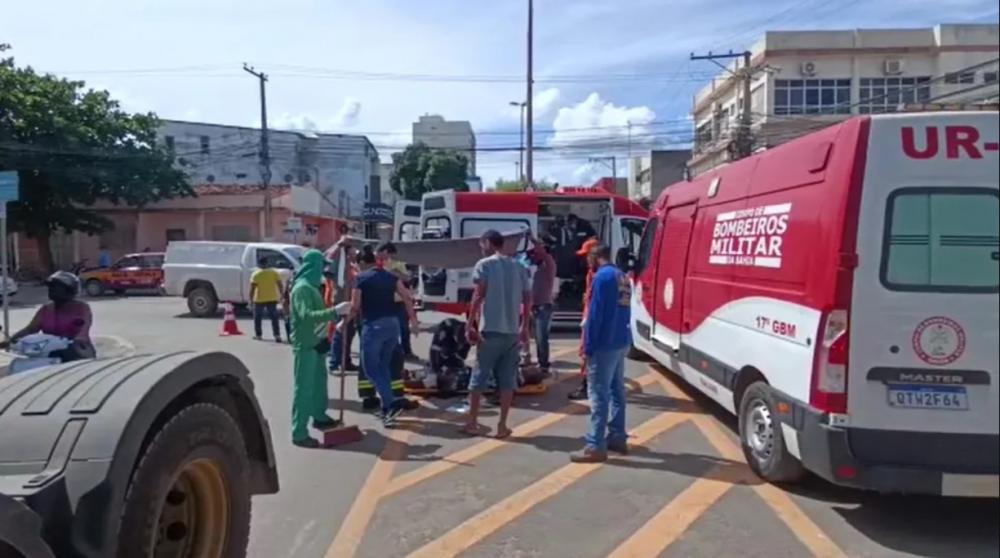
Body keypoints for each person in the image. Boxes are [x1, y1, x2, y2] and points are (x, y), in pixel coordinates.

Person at [463, 230, 531, 439]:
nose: (480, 247)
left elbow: (478, 294)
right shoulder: (520, 266)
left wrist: (470, 323)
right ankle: (502, 425)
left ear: (490, 243)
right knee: (507, 381)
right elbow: (527, 299)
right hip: (512, 332)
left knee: (479, 377)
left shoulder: (484, 265)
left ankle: (472, 422)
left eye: (482, 243)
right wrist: (524, 326)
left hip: (490, 330)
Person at [571, 242, 632, 463]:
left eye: (587, 257)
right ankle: (617, 436)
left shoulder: (601, 278)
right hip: (620, 341)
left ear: (596, 257)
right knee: (617, 391)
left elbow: (594, 317)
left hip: (604, 344)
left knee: (598, 394)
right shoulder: (622, 277)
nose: (586, 262)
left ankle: (595, 445)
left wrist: (587, 348)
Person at [349, 246, 418, 428]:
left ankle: (391, 403)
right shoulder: (391, 277)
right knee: (383, 366)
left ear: (363, 263)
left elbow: (354, 306)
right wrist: (414, 322)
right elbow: (407, 298)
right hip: (392, 326)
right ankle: (388, 408)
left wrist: (342, 323)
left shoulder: (360, 279)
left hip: (373, 327)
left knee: (370, 368)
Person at [289, 249, 341, 448]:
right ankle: (299, 432)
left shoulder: (312, 286)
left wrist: (333, 323)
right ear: (313, 266)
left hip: (317, 342)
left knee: (320, 382)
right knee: (303, 389)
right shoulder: (302, 288)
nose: (324, 269)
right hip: (305, 345)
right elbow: (307, 315)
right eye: (322, 265)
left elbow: (317, 316)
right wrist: (334, 312)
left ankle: (319, 415)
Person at [2, 271, 96, 362]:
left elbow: (84, 328)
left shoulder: (81, 308)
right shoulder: (46, 309)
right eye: (50, 287)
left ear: (69, 289)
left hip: (77, 353)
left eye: (56, 287)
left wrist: (79, 339)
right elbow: (30, 329)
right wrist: (11, 340)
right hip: (49, 354)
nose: (51, 289)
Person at [568, 237, 599, 401]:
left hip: (591, 320)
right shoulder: (592, 273)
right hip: (588, 317)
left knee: (587, 352)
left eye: (587, 255)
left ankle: (586, 386)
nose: (585, 259)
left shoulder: (599, 275)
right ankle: (587, 384)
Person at [376, 241, 417, 361]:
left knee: (403, 327)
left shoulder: (395, 262)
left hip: (397, 299)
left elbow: (406, 277)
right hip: (382, 299)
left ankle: (406, 351)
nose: (390, 257)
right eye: (390, 255)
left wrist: (390, 272)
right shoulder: (372, 260)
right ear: (385, 252)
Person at [326, 240, 359, 372]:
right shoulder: (339, 265)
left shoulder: (352, 266)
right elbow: (327, 258)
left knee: (349, 334)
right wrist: (339, 244)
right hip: (341, 302)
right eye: (352, 250)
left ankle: (346, 361)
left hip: (351, 302)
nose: (355, 252)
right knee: (339, 334)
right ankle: (334, 363)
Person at [526, 233, 556, 376]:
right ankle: (540, 362)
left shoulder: (549, 264)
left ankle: (544, 364)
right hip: (536, 307)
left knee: (542, 337)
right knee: (537, 337)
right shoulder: (538, 270)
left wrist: (532, 239)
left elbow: (541, 252)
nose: (534, 256)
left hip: (544, 307)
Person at [250, 257, 284, 342]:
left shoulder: (256, 274)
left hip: (259, 299)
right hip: (272, 298)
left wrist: (250, 300)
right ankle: (277, 335)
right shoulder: (274, 273)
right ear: (267, 263)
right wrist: (282, 295)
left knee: (258, 318)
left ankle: (259, 335)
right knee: (274, 318)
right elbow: (280, 284)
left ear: (259, 264)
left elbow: (252, 289)